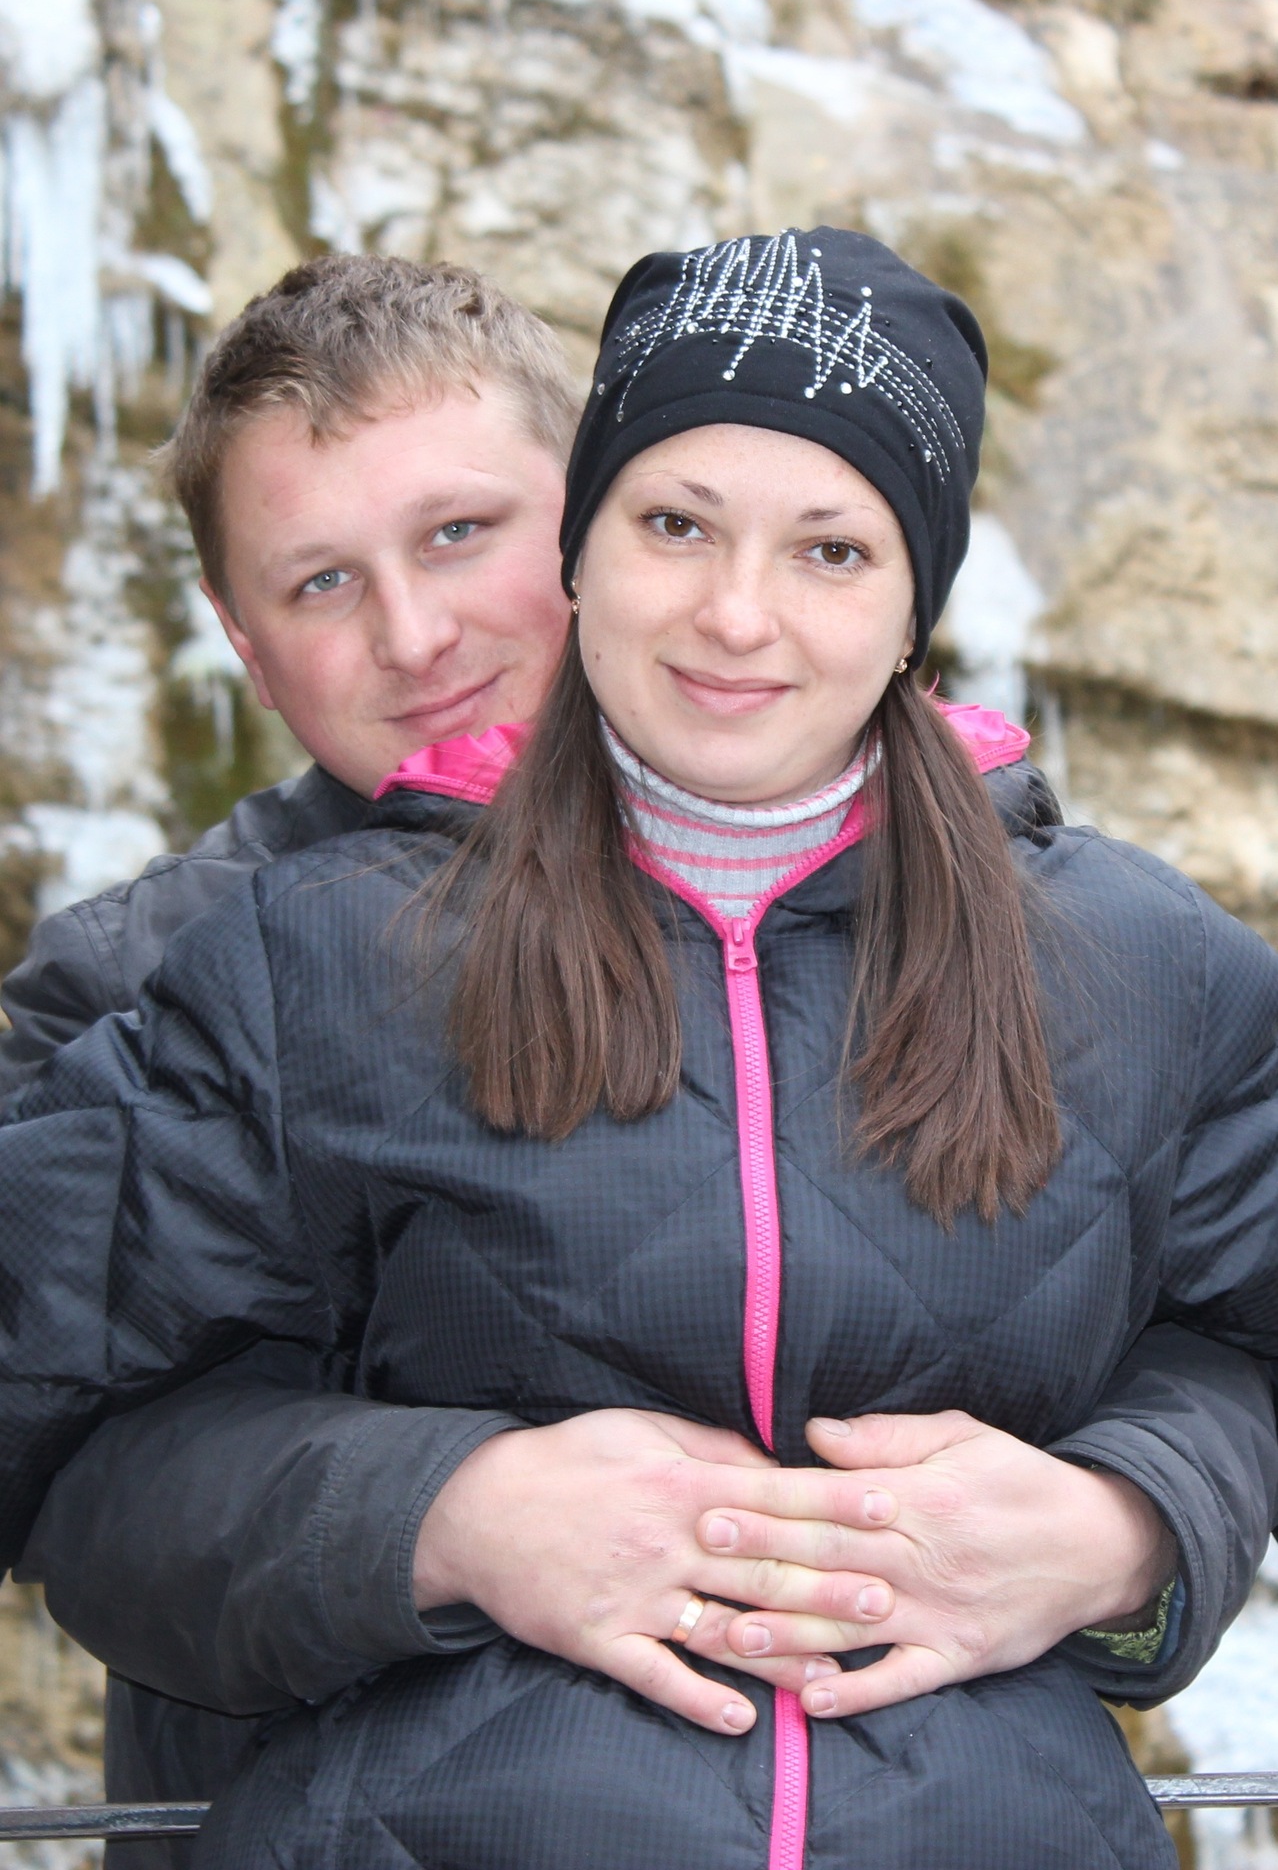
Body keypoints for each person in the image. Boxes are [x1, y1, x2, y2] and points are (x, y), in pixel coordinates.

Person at [2, 242, 1274, 1865]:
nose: (417, 635)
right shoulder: (210, 968)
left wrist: (1128, 1522)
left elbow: (1217, 1328)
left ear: (569, 519)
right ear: (237, 637)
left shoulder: (1107, 956)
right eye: (319, 582)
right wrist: (446, 1513)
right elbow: (67, 1454)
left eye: (459, 534)